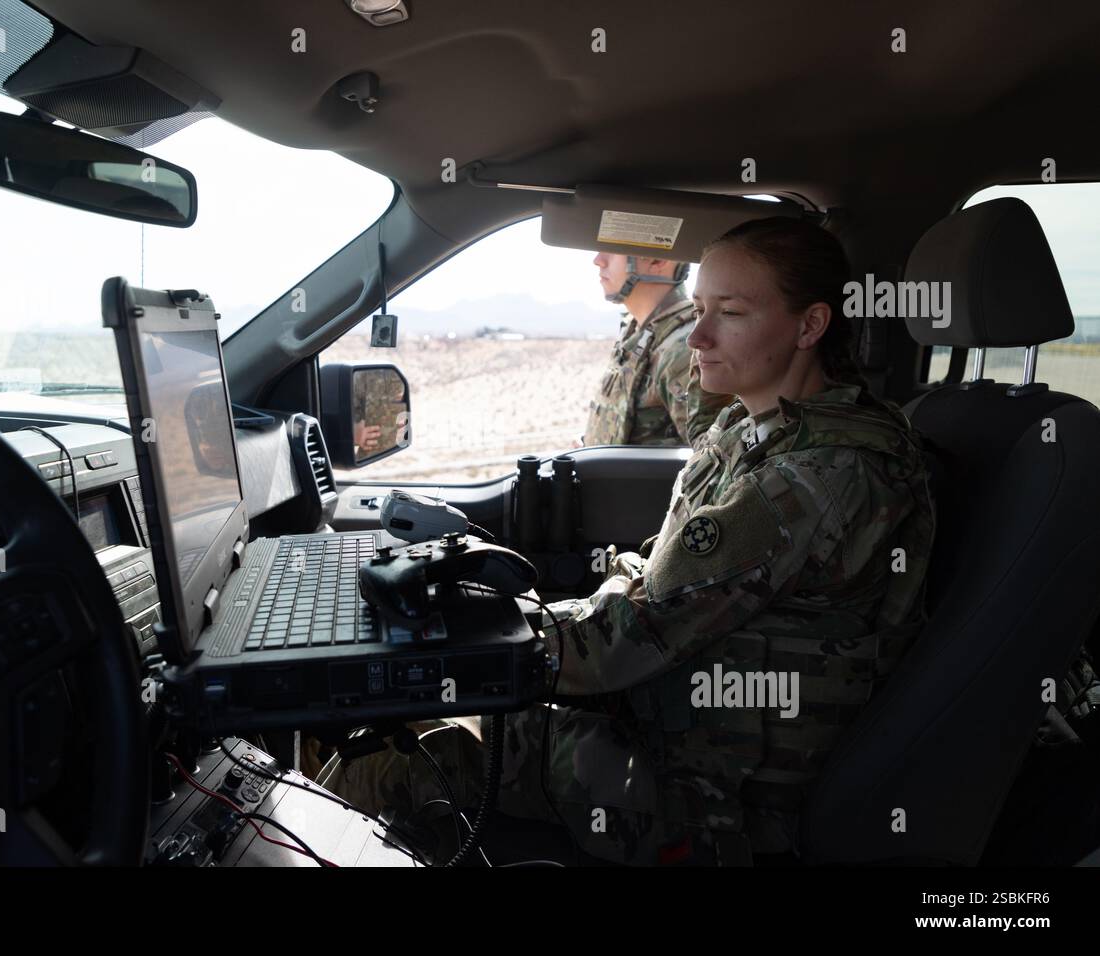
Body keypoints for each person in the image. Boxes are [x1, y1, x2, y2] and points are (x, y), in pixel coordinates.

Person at [317, 217, 937, 866]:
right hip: (667, 725)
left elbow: (630, 634)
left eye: (729, 312)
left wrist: (452, 633)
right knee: (414, 728)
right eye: (698, 309)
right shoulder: (754, 430)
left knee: (402, 760)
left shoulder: (817, 476)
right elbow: (655, 573)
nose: (696, 335)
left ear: (810, 327)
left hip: (721, 805)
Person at [581, 252, 731, 448]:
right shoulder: (637, 331)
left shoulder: (681, 348)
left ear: (657, 260)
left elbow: (708, 458)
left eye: (612, 249)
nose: (598, 260)